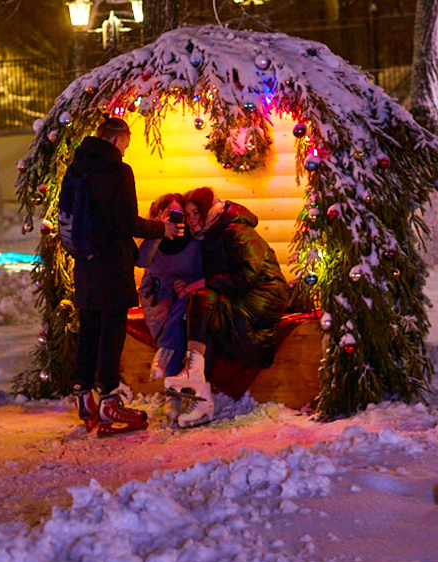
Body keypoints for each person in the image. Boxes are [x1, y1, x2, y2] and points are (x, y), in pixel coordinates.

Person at [63, 117, 182, 436]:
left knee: (89, 326)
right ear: (118, 141)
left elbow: (66, 215)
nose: (125, 152)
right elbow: (127, 222)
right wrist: (162, 228)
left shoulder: (76, 168)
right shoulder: (118, 171)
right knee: (112, 331)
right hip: (112, 264)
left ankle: (83, 395)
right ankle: (108, 401)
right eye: (126, 146)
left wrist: (78, 251)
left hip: (85, 263)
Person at [164, 187, 290, 427]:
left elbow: (246, 276)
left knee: (202, 299)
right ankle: (197, 392)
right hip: (245, 295)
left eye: (195, 213)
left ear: (206, 211)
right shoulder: (212, 233)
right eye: (187, 215)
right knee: (202, 310)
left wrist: (203, 283)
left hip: (263, 298)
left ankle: (196, 387)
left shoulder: (234, 230)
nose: (191, 220)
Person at [137, 193, 202, 382]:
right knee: (173, 326)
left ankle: (164, 358)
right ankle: (172, 392)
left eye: (180, 214)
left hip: (187, 297)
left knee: (181, 324)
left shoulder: (195, 240)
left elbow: (205, 272)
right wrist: (159, 231)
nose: (176, 219)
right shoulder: (153, 242)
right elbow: (142, 263)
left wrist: (188, 283)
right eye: (171, 214)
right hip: (161, 299)